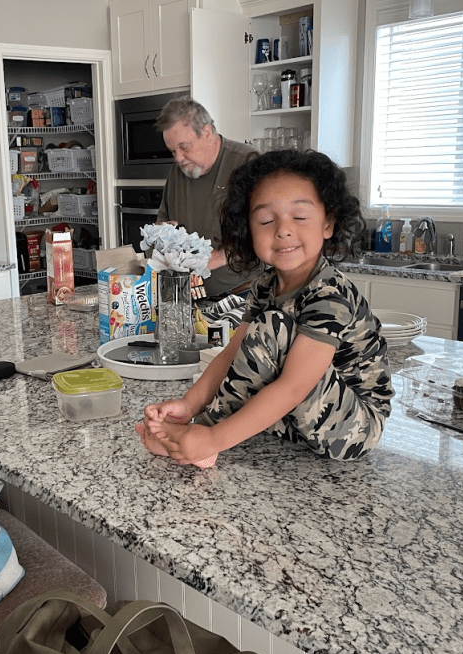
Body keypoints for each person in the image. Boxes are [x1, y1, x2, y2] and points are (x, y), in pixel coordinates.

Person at [138, 149, 392, 464]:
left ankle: (201, 440)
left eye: (300, 217)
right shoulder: (265, 284)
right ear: (248, 229)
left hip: (354, 426)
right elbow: (232, 353)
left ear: (328, 223)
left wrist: (211, 436)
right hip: (301, 419)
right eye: (266, 220)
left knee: (273, 327)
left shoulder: (329, 293)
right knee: (258, 339)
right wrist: (189, 405)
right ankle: (196, 434)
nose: (283, 229)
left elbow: (296, 386)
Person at [156, 97, 258, 298]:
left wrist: (220, 257)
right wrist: (163, 233)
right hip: (190, 297)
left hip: (243, 295)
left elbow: (269, 232)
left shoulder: (247, 162)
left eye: (184, 147)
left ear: (207, 132)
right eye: (173, 151)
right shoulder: (177, 173)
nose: (178, 158)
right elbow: (163, 220)